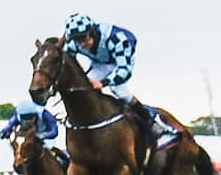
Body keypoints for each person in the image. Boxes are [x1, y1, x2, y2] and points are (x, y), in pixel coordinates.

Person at [44, 15, 166, 146]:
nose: (82, 44)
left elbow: (124, 70)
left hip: (119, 63)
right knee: (82, 87)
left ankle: (150, 120)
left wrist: (103, 83)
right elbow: (65, 64)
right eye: (78, 41)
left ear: (92, 32)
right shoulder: (74, 43)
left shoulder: (117, 39)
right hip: (99, 64)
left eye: (84, 38)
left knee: (119, 90)